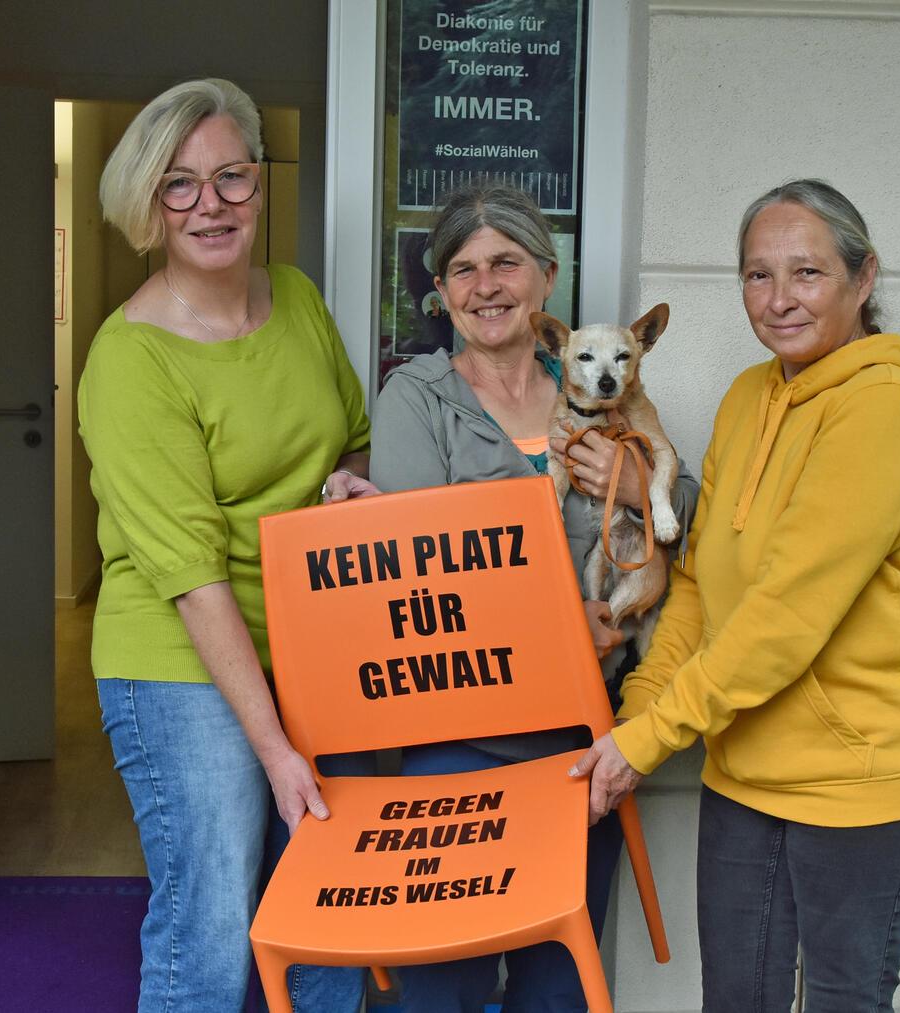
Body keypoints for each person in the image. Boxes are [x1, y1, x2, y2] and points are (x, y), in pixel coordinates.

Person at [572, 179, 900, 1013]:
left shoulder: (887, 405)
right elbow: (698, 587)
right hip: (745, 770)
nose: (780, 298)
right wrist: (636, 716)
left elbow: (784, 616)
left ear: (863, 278)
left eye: (807, 272)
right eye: (758, 274)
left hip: (860, 779)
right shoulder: (750, 396)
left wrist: (650, 740)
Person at [78, 78, 375, 1013]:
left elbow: (352, 436)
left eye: (231, 177)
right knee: (208, 922)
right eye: (180, 184)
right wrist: (276, 747)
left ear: (260, 182)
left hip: (312, 644)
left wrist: (347, 486)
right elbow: (193, 576)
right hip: (181, 660)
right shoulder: (129, 359)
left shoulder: (297, 297)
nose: (210, 203)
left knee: (330, 906)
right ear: (149, 205)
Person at [369, 182, 698, 1012]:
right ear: (440, 291)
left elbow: (696, 518)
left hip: (588, 742)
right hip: (460, 739)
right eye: (463, 268)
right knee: (443, 981)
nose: (486, 285)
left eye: (506, 262)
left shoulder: (600, 383)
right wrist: (559, 628)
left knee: (560, 983)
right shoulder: (417, 399)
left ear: (548, 278)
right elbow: (413, 576)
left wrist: (635, 491)